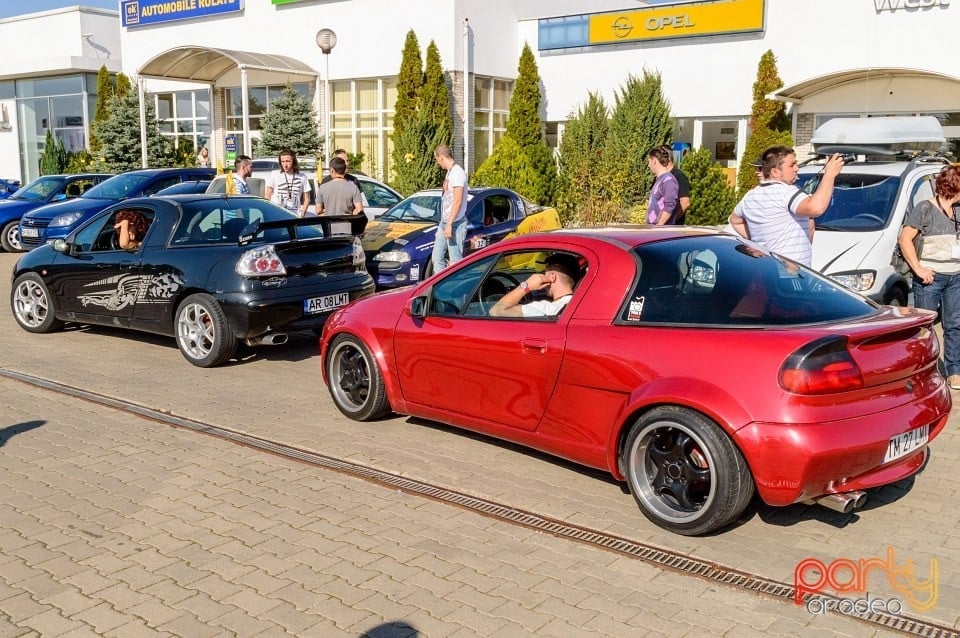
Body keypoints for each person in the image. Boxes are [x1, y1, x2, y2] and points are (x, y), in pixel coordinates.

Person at [729, 145, 844, 267]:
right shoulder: (786, 192)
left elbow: (735, 221)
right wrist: (830, 174)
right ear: (775, 172)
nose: (796, 168)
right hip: (789, 273)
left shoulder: (750, 196)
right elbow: (816, 208)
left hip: (766, 269)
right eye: (792, 165)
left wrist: (761, 241)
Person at [898, 165, 960, 390]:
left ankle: (954, 372)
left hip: (956, 278)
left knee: (955, 325)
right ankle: (924, 370)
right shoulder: (925, 209)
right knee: (924, 327)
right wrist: (919, 269)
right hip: (930, 280)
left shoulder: (958, 210)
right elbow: (905, 240)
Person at [490, 253, 581, 317]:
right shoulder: (579, 303)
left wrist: (526, 285)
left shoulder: (544, 309)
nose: (543, 275)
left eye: (545, 272)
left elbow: (496, 311)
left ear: (552, 277)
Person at [433, 144, 468, 271]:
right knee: (437, 258)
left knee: (455, 262)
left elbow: (457, 201)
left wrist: (450, 224)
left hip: (455, 223)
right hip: (445, 222)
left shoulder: (457, 173)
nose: (437, 163)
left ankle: (454, 289)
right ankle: (439, 286)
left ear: (441, 157)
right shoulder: (450, 172)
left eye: (437, 159)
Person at [265, 149, 310, 216]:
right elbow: (267, 196)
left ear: (294, 161)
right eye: (282, 161)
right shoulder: (274, 174)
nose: (285, 164)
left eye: (288, 161)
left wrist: (302, 214)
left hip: (295, 216)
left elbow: (307, 198)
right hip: (277, 215)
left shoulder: (302, 176)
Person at [646, 146, 680, 225]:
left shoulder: (669, 181)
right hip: (654, 229)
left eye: (649, 161)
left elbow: (670, 205)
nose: (648, 165)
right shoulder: (661, 180)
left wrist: (659, 226)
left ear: (654, 161)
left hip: (661, 231)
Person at [662, 146, 691, 224]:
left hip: (673, 228)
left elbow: (685, 203)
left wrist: (670, 220)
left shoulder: (679, 176)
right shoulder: (663, 177)